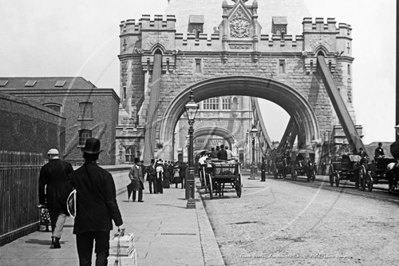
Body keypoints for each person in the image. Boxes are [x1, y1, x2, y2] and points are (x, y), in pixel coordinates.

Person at [68, 138, 123, 266]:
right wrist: (119, 222)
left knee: (84, 258)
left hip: (83, 222)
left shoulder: (74, 176)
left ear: (83, 155)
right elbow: (111, 201)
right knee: (102, 253)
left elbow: (66, 198)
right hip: (102, 222)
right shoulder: (105, 176)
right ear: (98, 155)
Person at [39, 148, 74, 249]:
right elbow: (73, 180)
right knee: (62, 214)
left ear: (49, 156)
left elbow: (41, 185)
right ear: (58, 155)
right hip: (65, 194)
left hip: (51, 194)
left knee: (53, 215)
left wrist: (42, 201)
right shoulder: (67, 166)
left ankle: (54, 236)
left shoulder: (45, 168)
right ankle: (56, 236)